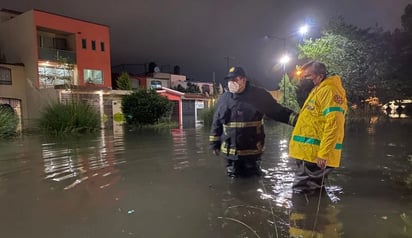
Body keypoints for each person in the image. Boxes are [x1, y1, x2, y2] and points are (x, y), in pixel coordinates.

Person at [209, 66, 298, 177]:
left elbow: (277, 112)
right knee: (233, 180)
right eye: (229, 80)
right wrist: (214, 144)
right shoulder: (224, 98)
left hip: (252, 152)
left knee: (253, 179)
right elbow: (216, 121)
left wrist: (299, 120)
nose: (231, 83)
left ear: (243, 80)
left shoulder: (259, 95)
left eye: (235, 80)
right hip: (230, 152)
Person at [289, 60, 348, 193]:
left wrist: (324, 153)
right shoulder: (318, 90)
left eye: (307, 76)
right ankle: (319, 213)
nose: (304, 80)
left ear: (319, 76)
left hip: (315, 156)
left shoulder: (329, 91)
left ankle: (303, 214)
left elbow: (334, 124)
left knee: (303, 192)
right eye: (303, 77)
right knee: (312, 191)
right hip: (308, 154)